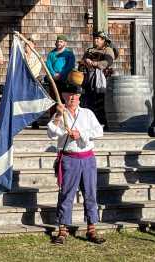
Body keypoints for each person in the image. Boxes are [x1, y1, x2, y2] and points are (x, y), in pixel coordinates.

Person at [47, 84, 105, 245]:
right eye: (69, 95)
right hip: (69, 159)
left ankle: (91, 229)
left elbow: (99, 131)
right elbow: (51, 133)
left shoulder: (87, 113)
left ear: (80, 97)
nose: (73, 98)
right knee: (66, 193)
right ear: (64, 96)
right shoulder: (60, 114)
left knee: (90, 193)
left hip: (87, 159)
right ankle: (63, 230)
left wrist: (81, 134)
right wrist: (58, 115)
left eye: (75, 95)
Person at [80, 31, 116, 126]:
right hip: (89, 78)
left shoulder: (108, 50)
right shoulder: (89, 50)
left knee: (101, 100)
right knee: (88, 100)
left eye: (98, 38)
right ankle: (90, 123)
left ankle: (102, 123)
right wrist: (85, 61)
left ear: (103, 40)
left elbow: (108, 61)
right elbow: (81, 63)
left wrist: (96, 64)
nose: (95, 40)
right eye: (95, 38)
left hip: (102, 78)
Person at [45, 35, 75, 115]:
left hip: (65, 80)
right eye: (58, 41)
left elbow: (70, 66)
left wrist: (61, 74)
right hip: (53, 80)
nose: (59, 43)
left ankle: (64, 118)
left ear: (65, 43)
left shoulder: (69, 54)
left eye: (61, 41)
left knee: (64, 99)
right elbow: (48, 65)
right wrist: (53, 74)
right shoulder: (51, 54)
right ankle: (53, 119)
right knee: (54, 99)